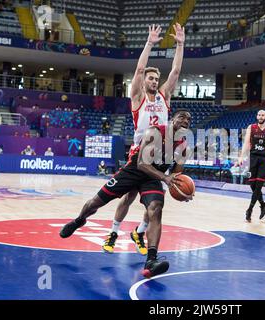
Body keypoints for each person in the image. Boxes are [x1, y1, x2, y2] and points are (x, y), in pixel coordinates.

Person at [59, 111, 192, 278]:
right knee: (95, 203)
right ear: (172, 120)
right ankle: (79, 220)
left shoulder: (184, 147)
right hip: (134, 170)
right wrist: (165, 177)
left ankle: (151, 260)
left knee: (156, 208)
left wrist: (182, 192)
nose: (185, 121)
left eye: (189, 119)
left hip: (152, 178)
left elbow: (177, 176)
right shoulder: (155, 131)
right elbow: (143, 164)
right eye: (182, 117)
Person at [101, 23, 185, 254]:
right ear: (144, 80)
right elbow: (138, 70)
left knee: (154, 204)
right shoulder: (138, 98)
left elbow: (176, 71)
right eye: (150, 78)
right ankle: (113, 233)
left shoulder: (164, 96)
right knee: (127, 197)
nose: (154, 81)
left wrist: (180, 44)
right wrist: (149, 43)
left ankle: (138, 232)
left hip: (160, 155)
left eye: (156, 78)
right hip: (139, 153)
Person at [238, 110, 265, 222]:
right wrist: (241, 156)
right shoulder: (251, 127)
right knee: (252, 184)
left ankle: (250, 210)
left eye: (263, 115)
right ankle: (263, 204)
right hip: (253, 158)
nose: (261, 116)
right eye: (259, 115)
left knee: (258, 185)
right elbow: (247, 143)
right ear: (257, 116)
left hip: (264, 159)